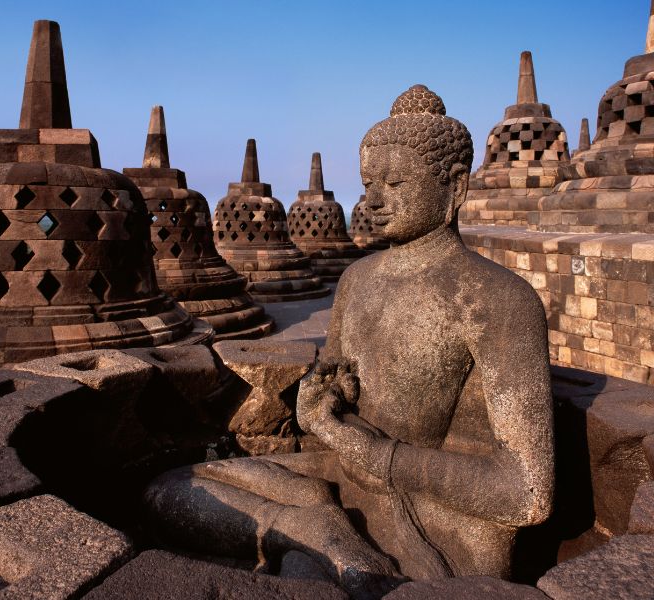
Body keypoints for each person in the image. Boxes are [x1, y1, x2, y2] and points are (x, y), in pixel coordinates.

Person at [144, 85, 554, 599]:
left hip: (439, 523)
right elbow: (338, 393)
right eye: (367, 183)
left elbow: (527, 493)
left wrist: (377, 454)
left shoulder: (495, 300)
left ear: (454, 186)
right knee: (172, 492)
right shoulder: (357, 281)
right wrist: (319, 406)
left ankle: (318, 545)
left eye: (395, 182)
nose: (372, 201)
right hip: (346, 477)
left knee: (312, 577)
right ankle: (325, 536)